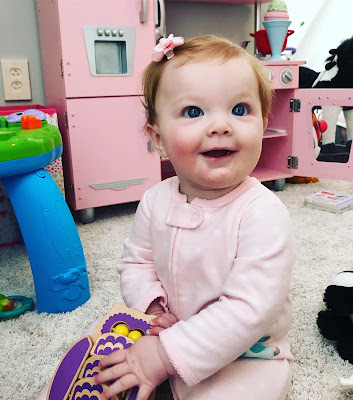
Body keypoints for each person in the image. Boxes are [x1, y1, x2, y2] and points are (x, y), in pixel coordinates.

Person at [94, 34, 295, 400]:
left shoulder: (263, 214)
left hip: (247, 354)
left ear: (263, 124)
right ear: (158, 138)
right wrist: (151, 305)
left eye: (240, 110)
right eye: (193, 112)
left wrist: (164, 355)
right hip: (165, 331)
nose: (221, 126)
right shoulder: (155, 200)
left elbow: (249, 310)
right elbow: (136, 262)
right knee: (104, 369)